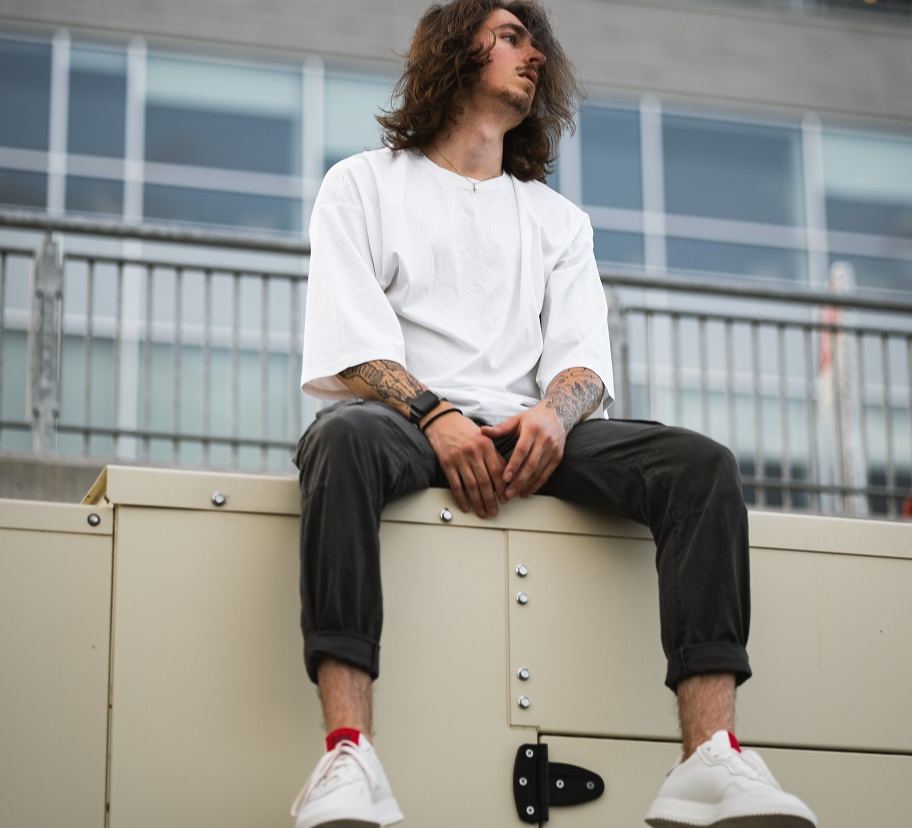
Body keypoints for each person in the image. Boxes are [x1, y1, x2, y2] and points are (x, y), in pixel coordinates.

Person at [289, 1, 818, 826]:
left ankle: (710, 759)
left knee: (701, 465)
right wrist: (435, 415)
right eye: (510, 36)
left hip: (531, 436)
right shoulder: (361, 184)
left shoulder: (557, 220)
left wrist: (552, 418)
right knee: (341, 440)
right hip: (411, 428)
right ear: (453, 54)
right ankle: (348, 755)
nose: (534, 53)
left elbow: (581, 361)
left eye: (538, 42)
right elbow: (351, 347)